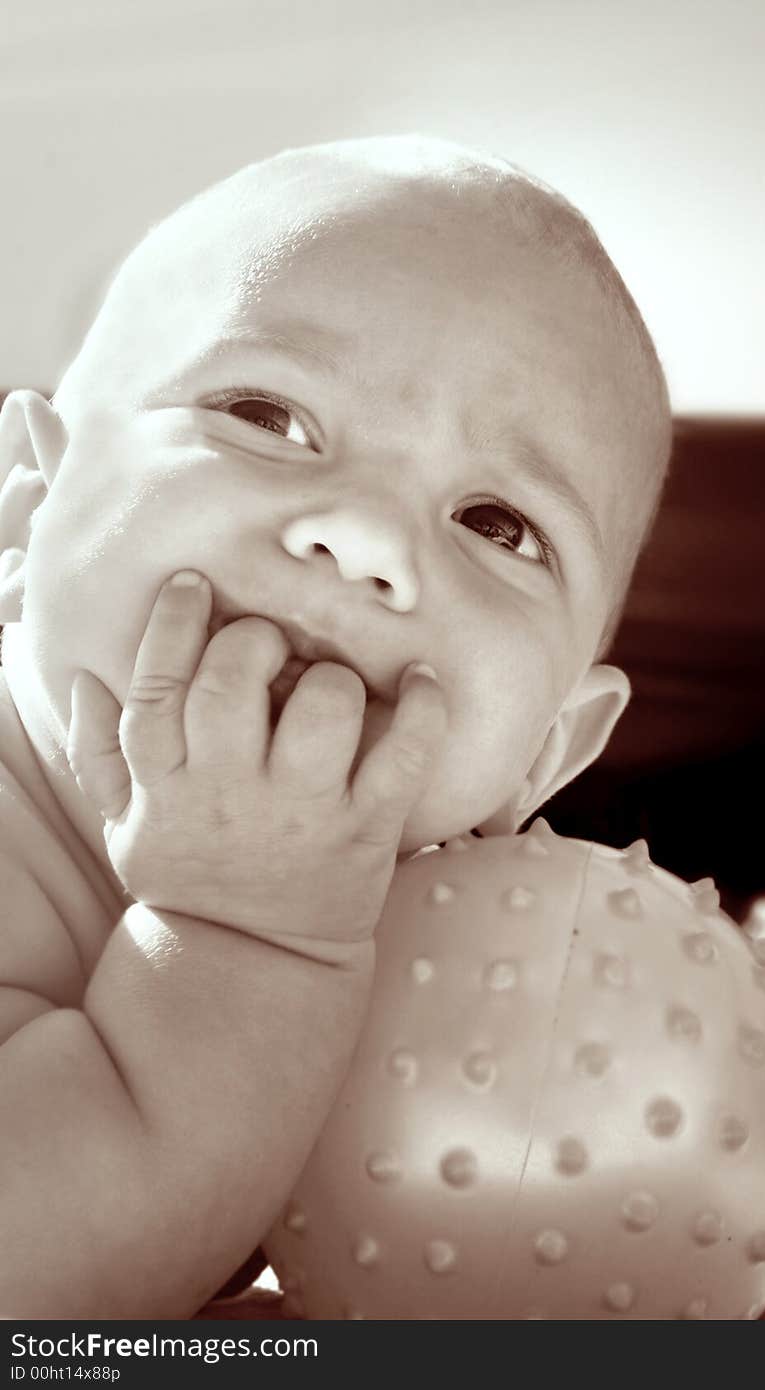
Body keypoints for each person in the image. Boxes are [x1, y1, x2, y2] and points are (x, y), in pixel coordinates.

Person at [0, 135, 671, 1316]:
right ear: (28, 502)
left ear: (545, 755)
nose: (364, 540)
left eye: (497, 525)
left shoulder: (438, 999)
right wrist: (243, 936)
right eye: (266, 413)